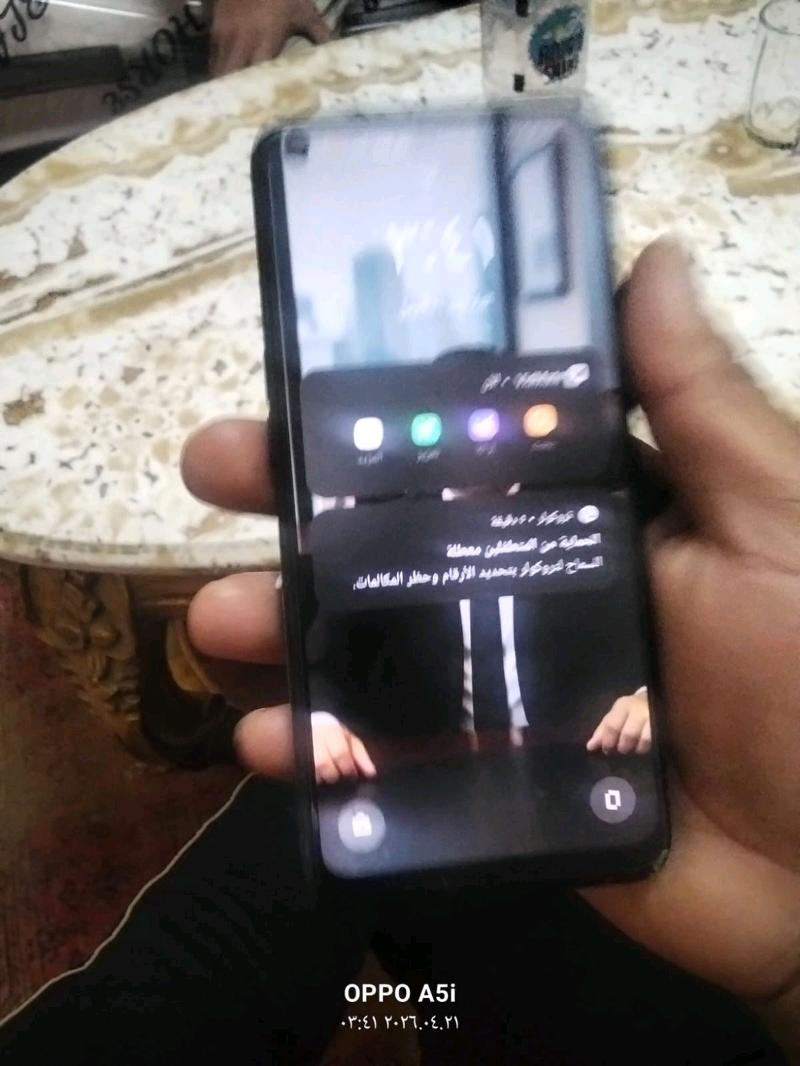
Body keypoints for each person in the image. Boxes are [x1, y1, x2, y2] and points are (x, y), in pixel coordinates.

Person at [1, 239, 798, 1064]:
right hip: (428, 787)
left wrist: (642, 691)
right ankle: (416, 1013)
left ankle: (418, 1014)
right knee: (389, 939)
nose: (481, 441)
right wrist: (323, 713)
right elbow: (332, 652)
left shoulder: (589, 524)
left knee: (448, 969)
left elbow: (661, 643)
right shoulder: (375, 531)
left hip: (590, 795)